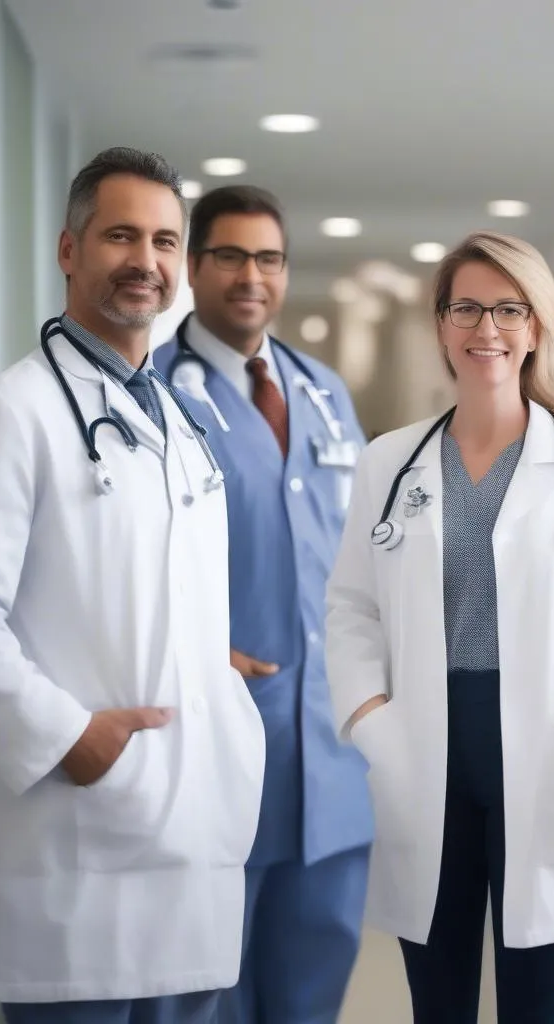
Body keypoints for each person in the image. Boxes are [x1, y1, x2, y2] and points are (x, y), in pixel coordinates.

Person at [0, 147, 265, 1024]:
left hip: (193, 845)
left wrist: (206, 667)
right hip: (82, 851)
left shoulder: (180, 422)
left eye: (165, 240)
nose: (146, 259)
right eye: (120, 235)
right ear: (69, 250)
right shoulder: (9, 415)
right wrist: (72, 739)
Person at [325, 230, 554, 1023]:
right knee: (439, 1001)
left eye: (507, 308)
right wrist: (368, 718)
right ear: (440, 325)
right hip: (425, 749)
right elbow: (350, 607)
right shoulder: (388, 464)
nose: (484, 328)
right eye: (465, 307)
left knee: (546, 1005)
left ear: (536, 329)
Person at [154, 185, 371, 1024]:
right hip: (222, 743)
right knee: (209, 993)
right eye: (232, 256)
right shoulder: (157, 394)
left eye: (269, 259)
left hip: (334, 748)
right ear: (195, 269)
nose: (253, 276)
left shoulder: (323, 392)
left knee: (315, 984)